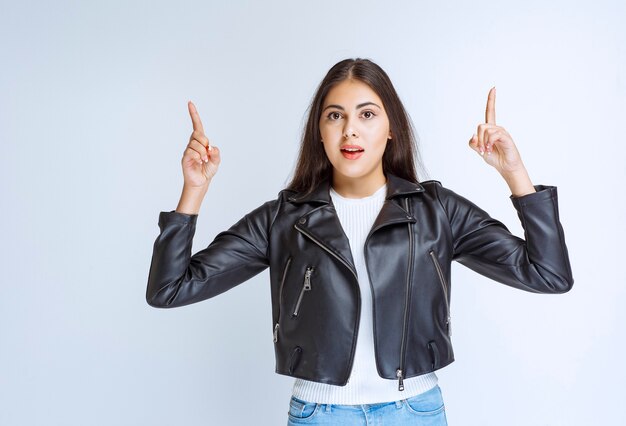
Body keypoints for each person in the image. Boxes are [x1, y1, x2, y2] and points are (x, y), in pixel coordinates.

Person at [146, 58, 573, 425]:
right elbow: (170, 290)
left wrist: (515, 174)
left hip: (415, 411)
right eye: (335, 116)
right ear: (320, 130)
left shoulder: (434, 210)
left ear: (391, 129)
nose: (350, 130)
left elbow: (548, 275)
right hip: (321, 414)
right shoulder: (285, 219)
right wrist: (194, 191)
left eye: (367, 115)